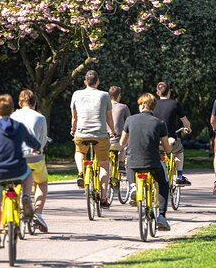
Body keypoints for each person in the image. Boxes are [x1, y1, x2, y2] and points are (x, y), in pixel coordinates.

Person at [0, 94, 41, 249]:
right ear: (12, 110)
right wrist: (36, 147)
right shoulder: (19, 127)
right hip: (18, 169)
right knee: (28, 172)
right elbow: (35, 143)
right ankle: (26, 197)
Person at [119, 93, 171, 231]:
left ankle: (132, 187)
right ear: (153, 107)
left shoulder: (130, 120)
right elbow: (167, 148)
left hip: (134, 163)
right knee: (164, 183)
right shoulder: (160, 123)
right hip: (153, 163)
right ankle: (161, 216)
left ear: (142, 105)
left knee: (128, 162)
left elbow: (122, 142)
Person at [70, 70, 115, 208]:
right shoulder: (104, 95)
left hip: (81, 133)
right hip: (100, 135)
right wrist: (113, 131)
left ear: (85, 82)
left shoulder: (76, 94)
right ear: (98, 82)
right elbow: (109, 117)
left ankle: (81, 173)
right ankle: (103, 198)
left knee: (79, 152)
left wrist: (73, 129)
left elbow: (74, 117)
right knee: (104, 164)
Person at [10, 89, 49, 233]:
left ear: (20, 102)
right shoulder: (40, 117)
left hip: (15, 157)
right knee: (41, 182)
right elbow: (42, 141)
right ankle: (37, 213)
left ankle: (12, 208)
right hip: (34, 157)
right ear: (35, 103)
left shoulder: (12, 116)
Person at [152, 81, 192, 185]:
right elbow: (185, 122)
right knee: (179, 151)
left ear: (157, 92)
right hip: (170, 140)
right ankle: (179, 176)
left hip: (155, 140)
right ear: (169, 92)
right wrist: (187, 128)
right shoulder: (175, 104)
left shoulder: (153, 104)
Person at [107, 86, 130, 166]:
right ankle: (121, 163)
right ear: (119, 95)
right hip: (118, 140)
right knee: (124, 145)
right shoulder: (123, 107)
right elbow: (129, 122)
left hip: (105, 140)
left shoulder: (105, 107)